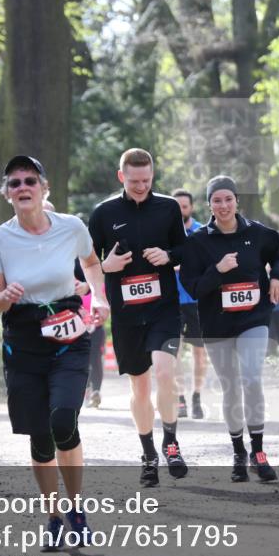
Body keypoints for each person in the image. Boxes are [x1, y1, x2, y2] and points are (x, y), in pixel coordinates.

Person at [0, 155, 109, 549]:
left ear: (44, 188)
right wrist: (6, 295)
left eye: (30, 181)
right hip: (23, 338)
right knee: (40, 437)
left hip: (68, 333)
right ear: (7, 193)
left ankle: (76, 510)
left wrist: (99, 297)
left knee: (63, 420)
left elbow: (91, 263)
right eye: (15, 182)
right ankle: (53, 516)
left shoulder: (71, 227)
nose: (23, 187)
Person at [180, 175, 279, 483]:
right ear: (209, 205)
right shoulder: (197, 242)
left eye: (228, 199)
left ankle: (258, 451)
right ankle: (238, 452)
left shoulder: (258, 234)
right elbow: (193, 287)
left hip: (253, 319)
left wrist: (278, 277)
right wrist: (217, 270)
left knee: (252, 379)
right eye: (217, 200)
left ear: (236, 201)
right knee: (230, 386)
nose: (224, 205)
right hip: (216, 324)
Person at [88, 148, 188, 487]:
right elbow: (85, 262)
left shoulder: (168, 207)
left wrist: (169, 255)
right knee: (140, 386)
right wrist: (106, 266)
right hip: (127, 315)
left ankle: (171, 443)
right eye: (135, 182)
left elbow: (185, 249)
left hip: (164, 309)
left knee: (165, 372)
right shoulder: (104, 213)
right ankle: (148, 455)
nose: (142, 186)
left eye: (147, 180)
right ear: (122, 177)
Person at [171, 188, 207, 419]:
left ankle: (197, 396)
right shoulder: (164, 233)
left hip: (197, 301)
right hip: (171, 301)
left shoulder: (202, 233)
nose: (180, 211)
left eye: (184, 206)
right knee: (173, 352)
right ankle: (180, 398)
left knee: (199, 354)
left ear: (191, 208)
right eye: (176, 207)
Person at [74, 259, 105, 408]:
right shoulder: (70, 282)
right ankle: (84, 390)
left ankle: (96, 391)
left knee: (95, 359)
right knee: (81, 360)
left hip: (95, 328)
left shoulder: (98, 284)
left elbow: (105, 304)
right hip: (75, 328)